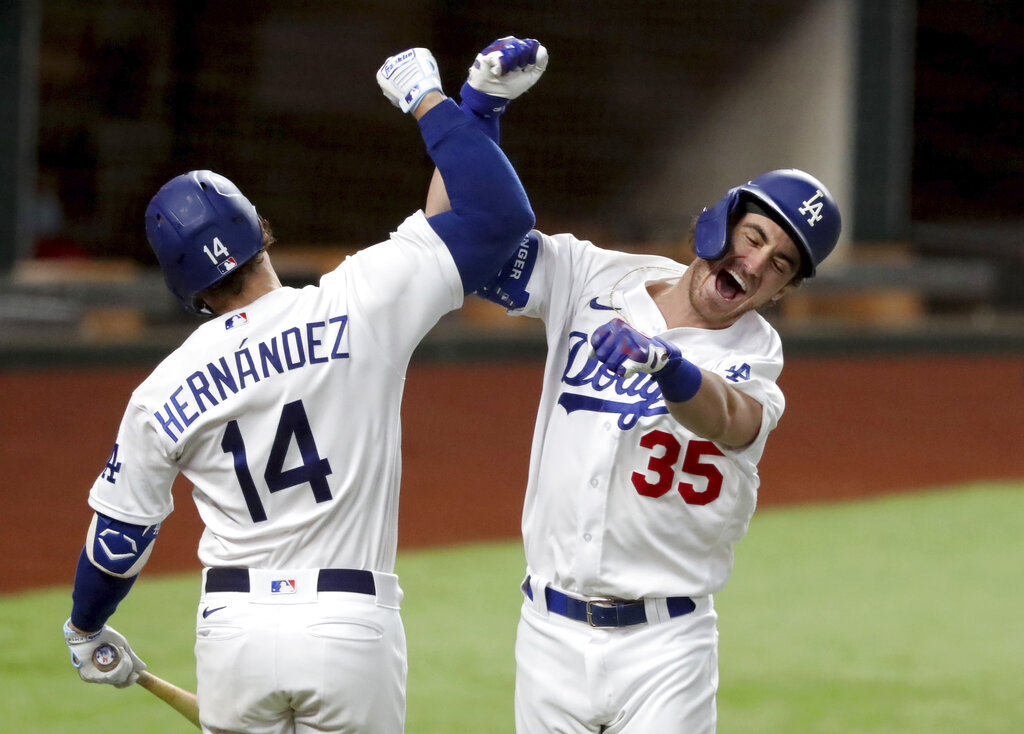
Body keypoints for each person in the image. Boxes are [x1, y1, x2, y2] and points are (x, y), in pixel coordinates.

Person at [61, 41, 544, 734]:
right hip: (348, 628)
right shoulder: (357, 301)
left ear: (185, 290)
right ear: (260, 228)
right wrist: (446, 105)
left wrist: (86, 626)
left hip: (233, 637)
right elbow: (490, 215)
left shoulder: (160, 391)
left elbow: (117, 540)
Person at [429, 43, 842, 733]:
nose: (757, 262)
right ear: (720, 222)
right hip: (548, 635)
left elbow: (732, 420)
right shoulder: (594, 277)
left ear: (782, 290)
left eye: (780, 263)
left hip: (665, 648)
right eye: (754, 235)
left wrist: (666, 367)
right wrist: (474, 114)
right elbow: (456, 239)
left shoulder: (754, 354)